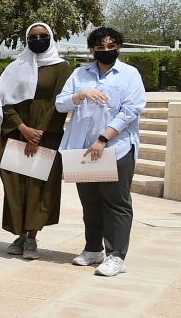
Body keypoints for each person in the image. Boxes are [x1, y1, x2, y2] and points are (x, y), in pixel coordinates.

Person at [56, 26, 146, 277]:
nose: (106, 50)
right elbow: (60, 104)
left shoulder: (129, 74)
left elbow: (131, 110)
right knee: (90, 203)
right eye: (100, 47)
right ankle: (93, 249)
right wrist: (81, 94)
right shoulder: (79, 74)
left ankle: (116, 256)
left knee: (116, 204)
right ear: (92, 49)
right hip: (83, 150)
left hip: (115, 148)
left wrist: (103, 138)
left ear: (119, 47)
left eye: (111, 46)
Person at [0, 22, 70, 260]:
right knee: (16, 185)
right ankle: (19, 234)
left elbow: (58, 102)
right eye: (33, 37)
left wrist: (37, 133)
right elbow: (5, 100)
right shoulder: (16, 66)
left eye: (43, 36)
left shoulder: (61, 67)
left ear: (51, 37)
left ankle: (32, 238)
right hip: (17, 131)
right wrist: (23, 128)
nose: (38, 40)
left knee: (39, 187)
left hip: (46, 135)